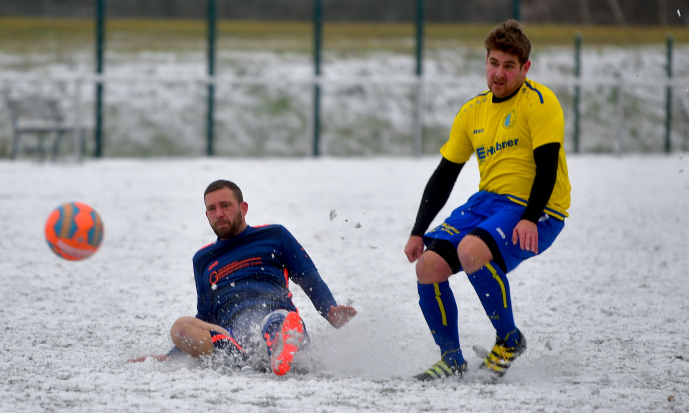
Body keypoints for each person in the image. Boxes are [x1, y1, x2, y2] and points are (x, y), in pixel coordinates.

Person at [403, 20, 571, 381]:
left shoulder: (540, 102)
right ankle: (451, 359)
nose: (499, 74)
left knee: (471, 250)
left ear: (525, 68)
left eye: (509, 66)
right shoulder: (472, 111)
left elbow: (547, 168)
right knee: (428, 266)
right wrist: (418, 231)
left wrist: (530, 217)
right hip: (488, 202)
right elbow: (445, 174)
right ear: (486, 62)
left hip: (537, 209)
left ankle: (509, 340)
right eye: (494, 63)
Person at [130, 180, 357, 376]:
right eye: (212, 208)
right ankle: (247, 352)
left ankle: (280, 343)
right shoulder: (203, 260)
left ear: (243, 208)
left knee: (275, 319)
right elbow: (207, 316)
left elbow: (310, 278)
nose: (219, 213)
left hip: (277, 313)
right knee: (180, 327)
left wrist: (330, 311)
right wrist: (171, 357)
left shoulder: (274, 235)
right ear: (206, 214)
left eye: (225, 205)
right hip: (232, 335)